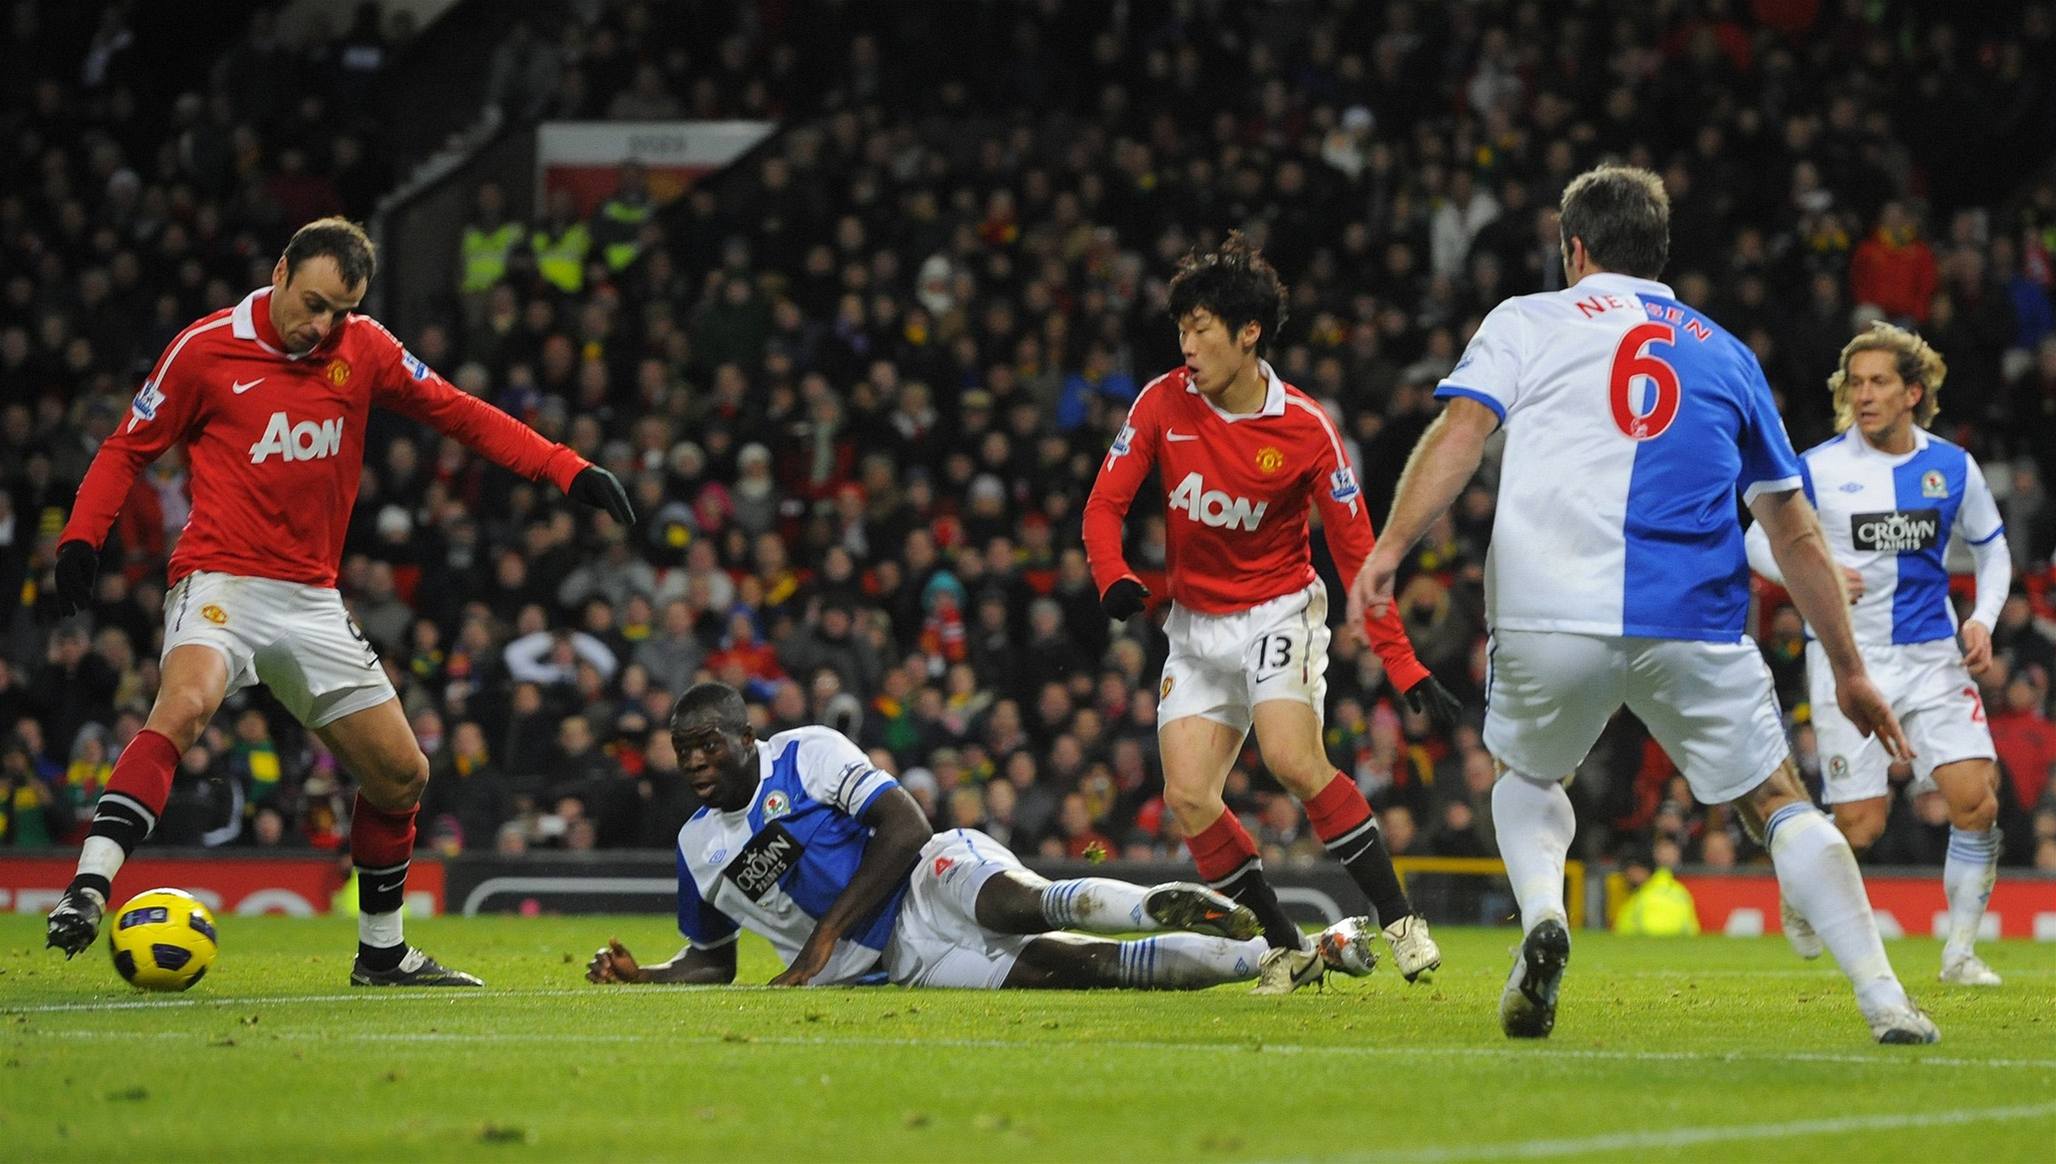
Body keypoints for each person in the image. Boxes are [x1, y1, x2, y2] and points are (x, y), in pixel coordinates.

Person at [1349, 165, 1936, 1044]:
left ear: (1575, 249)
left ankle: (1543, 916)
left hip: (1548, 613)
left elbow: (1461, 433)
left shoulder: (1526, 320)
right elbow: (1795, 532)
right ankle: (1885, 1000)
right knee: (1776, 800)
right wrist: (1850, 670)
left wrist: (1390, 550)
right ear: (1660, 254)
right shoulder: (1726, 354)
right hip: (1690, 618)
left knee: (1527, 775)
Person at [44, 217, 635, 986]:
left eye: (341, 312)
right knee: (185, 705)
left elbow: (457, 411)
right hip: (221, 579)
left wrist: (565, 469)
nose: (322, 326)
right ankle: (88, 886)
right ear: (281, 272)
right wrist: (81, 538)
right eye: (314, 303)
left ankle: (382, 953)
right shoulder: (206, 349)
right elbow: (128, 446)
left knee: (401, 775)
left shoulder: (365, 348)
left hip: (311, 598)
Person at [1083, 233, 1462, 994]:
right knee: (1188, 797)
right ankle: (1289, 948)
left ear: (1249, 332)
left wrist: (1401, 660)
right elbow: (1103, 506)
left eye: (1201, 330)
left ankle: (1400, 921)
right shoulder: (1161, 402)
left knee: (1292, 759)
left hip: (1277, 611)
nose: (1187, 346)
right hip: (1194, 627)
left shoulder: (1306, 428)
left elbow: (1356, 554)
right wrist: (1112, 575)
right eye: (1181, 330)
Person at [583, 682, 1380, 991]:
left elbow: (906, 825)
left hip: (927, 876)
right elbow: (712, 960)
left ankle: (1154, 905)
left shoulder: (807, 752)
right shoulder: (697, 848)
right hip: (905, 964)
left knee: (1022, 903)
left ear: (744, 737)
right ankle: (1310, 949)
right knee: (1088, 970)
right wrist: (643, 976)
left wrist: (824, 936)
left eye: (708, 745)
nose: (695, 762)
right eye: (683, 750)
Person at [1742, 323, 2010, 987]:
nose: (1863, 394)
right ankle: (1799, 883)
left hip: (1932, 657)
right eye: (1855, 383)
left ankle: (1960, 955)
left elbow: (1992, 549)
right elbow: (1755, 541)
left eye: (1879, 382)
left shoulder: (1952, 467)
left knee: (1975, 800)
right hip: (1849, 659)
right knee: (1860, 827)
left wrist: (1982, 618)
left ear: (1912, 392)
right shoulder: (1818, 467)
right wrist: (1817, 572)